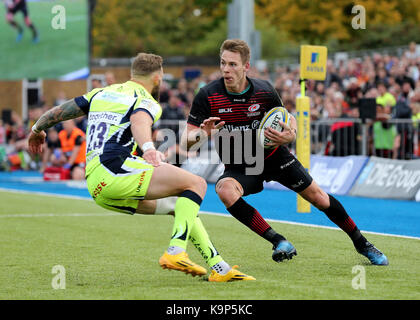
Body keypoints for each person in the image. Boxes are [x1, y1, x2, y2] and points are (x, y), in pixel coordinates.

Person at [28, 52, 255, 282]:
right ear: (157, 78)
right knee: (195, 183)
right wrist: (148, 147)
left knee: (181, 205)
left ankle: (219, 267)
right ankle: (176, 251)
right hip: (115, 169)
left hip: (97, 184)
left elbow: (58, 113)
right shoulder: (146, 99)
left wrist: (37, 130)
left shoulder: (100, 93)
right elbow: (139, 120)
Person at [182, 39, 389, 266]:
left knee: (319, 198)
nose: (226, 69)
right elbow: (187, 143)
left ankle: (362, 244)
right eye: (223, 63)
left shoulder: (264, 90)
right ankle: (279, 241)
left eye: (232, 64)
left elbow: (286, 118)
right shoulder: (207, 95)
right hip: (240, 166)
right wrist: (203, 135)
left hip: (275, 157)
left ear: (246, 66)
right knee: (224, 190)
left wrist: (291, 134)